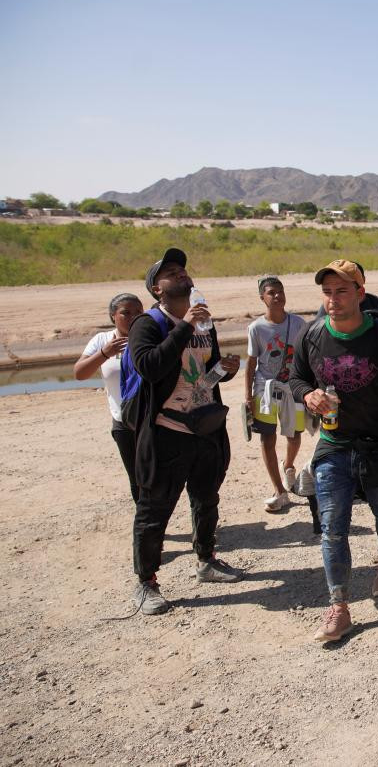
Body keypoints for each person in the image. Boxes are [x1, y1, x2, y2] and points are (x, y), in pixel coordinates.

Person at [288, 259, 378, 643]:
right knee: (332, 526)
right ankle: (339, 607)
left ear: (360, 293)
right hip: (333, 443)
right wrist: (307, 394)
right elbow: (296, 377)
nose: (333, 299)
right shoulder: (311, 335)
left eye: (342, 290)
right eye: (327, 292)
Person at [125, 248, 244, 615]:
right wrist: (185, 326)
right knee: (154, 509)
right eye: (169, 272)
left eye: (181, 269)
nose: (179, 274)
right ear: (156, 289)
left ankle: (206, 560)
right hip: (167, 433)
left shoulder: (204, 324)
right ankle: (146, 583)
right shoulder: (148, 324)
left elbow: (201, 380)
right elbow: (149, 368)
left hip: (204, 429)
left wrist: (225, 370)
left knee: (206, 499)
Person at [245, 276, 307, 513]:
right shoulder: (256, 328)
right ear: (263, 298)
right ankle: (279, 491)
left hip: (293, 389)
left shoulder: (299, 323)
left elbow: (306, 357)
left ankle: (289, 465)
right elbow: (250, 365)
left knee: (294, 436)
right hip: (265, 391)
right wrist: (248, 397)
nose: (277, 296)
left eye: (280, 291)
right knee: (267, 438)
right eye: (271, 293)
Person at [75, 293, 145, 504]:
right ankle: (147, 525)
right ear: (113, 316)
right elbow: (80, 373)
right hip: (123, 422)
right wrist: (105, 354)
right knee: (136, 478)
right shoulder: (102, 340)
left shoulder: (150, 337)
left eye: (138, 313)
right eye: (126, 312)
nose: (132, 317)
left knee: (158, 475)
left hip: (152, 419)